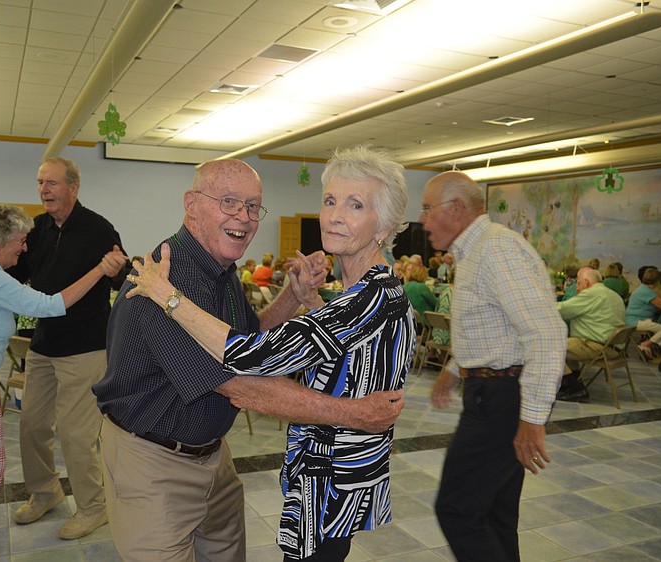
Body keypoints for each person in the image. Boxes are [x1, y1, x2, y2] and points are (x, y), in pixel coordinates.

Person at [93, 155, 408, 562]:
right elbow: (242, 386)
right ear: (192, 205)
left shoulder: (219, 269)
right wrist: (354, 414)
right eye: (228, 202)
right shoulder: (164, 280)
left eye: (252, 206)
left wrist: (292, 296)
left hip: (213, 457)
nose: (243, 216)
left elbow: (250, 342)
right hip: (154, 464)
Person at [0, 204, 117, 562]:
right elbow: (51, 304)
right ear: (0, 241)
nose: (25, 248)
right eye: (20, 240)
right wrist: (100, 270)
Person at [424, 171, 566, 562]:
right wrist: (454, 371)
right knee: (494, 513)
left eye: (427, 209)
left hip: (502, 398)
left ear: (456, 208)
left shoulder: (495, 250)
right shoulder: (476, 253)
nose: (422, 220)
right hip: (494, 391)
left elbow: (546, 333)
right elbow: (494, 328)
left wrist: (532, 419)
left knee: (457, 509)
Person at [6, 156, 129, 540]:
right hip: (43, 344)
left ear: (73, 188)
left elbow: (122, 277)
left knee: (77, 434)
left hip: (86, 347)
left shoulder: (97, 228)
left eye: (52, 183)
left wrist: (117, 267)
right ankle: (45, 492)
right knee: (32, 424)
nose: (44, 190)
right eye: (40, 182)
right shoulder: (36, 228)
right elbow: (14, 273)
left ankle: (94, 507)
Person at [555, 267, 626, 401]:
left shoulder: (591, 294)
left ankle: (575, 388)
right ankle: (573, 381)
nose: (577, 288)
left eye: (579, 283)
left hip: (598, 347)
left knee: (550, 347)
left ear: (586, 283)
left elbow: (562, 309)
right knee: (570, 343)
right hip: (613, 347)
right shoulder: (613, 294)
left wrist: (539, 305)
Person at [627, 268, 661, 359]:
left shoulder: (644, 289)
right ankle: (646, 344)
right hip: (636, 321)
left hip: (637, 319)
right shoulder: (647, 292)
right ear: (658, 280)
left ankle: (658, 349)